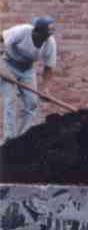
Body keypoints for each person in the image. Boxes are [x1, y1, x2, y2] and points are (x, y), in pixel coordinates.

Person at [0, 15, 57, 143]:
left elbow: (49, 68)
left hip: (27, 70)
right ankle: (9, 140)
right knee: (11, 100)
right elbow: (1, 37)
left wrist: (45, 88)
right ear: (36, 31)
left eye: (48, 35)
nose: (46, 38)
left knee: (32, 104)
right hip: (8, 63)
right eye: (45, 34)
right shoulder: (22, 31)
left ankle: (22, 140)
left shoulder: (50, 43)